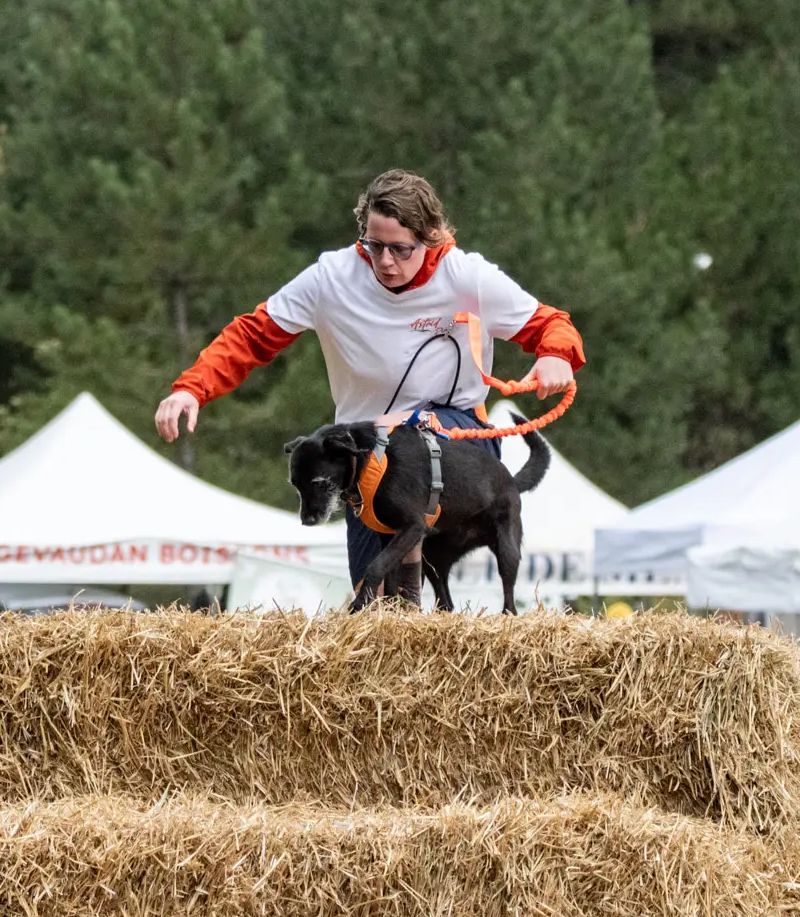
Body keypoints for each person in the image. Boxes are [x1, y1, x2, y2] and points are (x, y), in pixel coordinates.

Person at [155, 169, 585, 607]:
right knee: (370, 607)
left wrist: (555, 355)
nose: (384, 262)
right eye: (373, 245)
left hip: (460, 446)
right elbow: (252, 335)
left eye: (400, 249)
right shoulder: (331, 278)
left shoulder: (466, 276)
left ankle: (411, 581)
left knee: (399, 444)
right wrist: (192, 388)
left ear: (431, 237)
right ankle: (397, 600)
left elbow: (551, 324)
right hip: (363, 457)